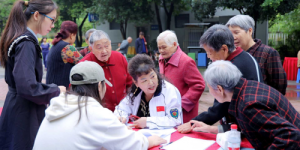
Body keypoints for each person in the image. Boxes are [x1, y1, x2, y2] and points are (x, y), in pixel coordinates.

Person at [33, 61, 167, 150]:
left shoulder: (58, 106)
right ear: (99, 85)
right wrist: (150, 141)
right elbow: (131, 144)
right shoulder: (95, 113)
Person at [190, 60, 300, 149]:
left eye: (209, 87)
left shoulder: (248, 105)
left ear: (219, 89)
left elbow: (291, 136)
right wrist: (211, 129)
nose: (210, 92)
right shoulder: (248, 87)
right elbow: (248, 126)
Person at [0, 1, 65, 149]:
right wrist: (56, 90)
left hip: (20, 107)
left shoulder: (22, 38)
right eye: (52, 19)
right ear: (37, 15)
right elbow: (27, 86)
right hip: (23, 113)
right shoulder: (26, 42)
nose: (53, 25)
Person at [178, 24, 263, 133]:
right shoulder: (243, 56)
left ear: (224, 48)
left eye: (210, 52)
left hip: (246, 127)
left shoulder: (231, 68)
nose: (208, 56)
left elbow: (219, 107)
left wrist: (193, 123)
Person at [114, 54, 183, 129]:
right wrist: (122, 117)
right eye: (144, 81)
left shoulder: (169, 91)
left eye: (152, 76)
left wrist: (148, 122)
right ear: (136, 82)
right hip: (141, 137)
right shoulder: (135, 92)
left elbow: (175, 120)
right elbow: (121, 109)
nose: (151, 83)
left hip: (166, 137)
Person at [226, 15, 287, 95]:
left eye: (236, 32)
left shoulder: (268, 53)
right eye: (229, 34)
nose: (232, 37)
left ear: (250, 31)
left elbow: (280, 85)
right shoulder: (231, 53)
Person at [157, 30, 205, 123]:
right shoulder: (162, 59)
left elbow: (199, 85)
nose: (161, 51)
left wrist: (181, 104)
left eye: (164, 47)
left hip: (183, 113)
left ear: (174, 44)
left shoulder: (186, 62)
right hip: (166, 109)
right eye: (159, 48)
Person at [79, 30, 132, 111]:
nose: (104, 51)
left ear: (110, 44)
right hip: (99, 114)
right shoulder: (84, 64)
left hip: (124, 111)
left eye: (107, 46)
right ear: (91, 49)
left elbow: (130, 83)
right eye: (99, 48)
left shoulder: (120, 57)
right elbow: (77, 94)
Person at [46, 21, 83, 88]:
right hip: (61, 90)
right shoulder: (67, 48)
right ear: (72, 35)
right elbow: (84, 63)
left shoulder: (56, 44)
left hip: (52, 87)